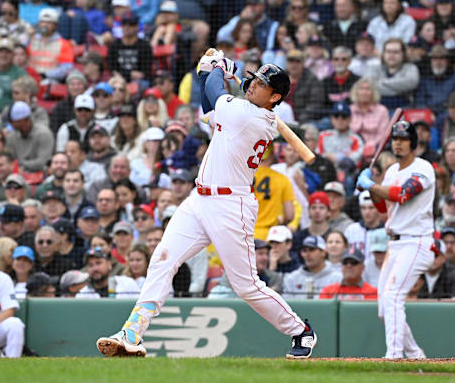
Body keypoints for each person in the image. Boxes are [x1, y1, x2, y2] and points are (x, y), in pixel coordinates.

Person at [96, 59, 318, 359]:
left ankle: (299, 330)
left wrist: (216, 68)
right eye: (253, 80)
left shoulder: (249, 116)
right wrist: (210, 72)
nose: (253, 84)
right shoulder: (241, 112)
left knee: (246, 285)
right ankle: (131, 332)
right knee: (162, 260)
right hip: (199, 198)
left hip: (231, 204)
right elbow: (209, 106)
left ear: (275, 97)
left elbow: (213, 88)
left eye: (262, 85)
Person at [356, 120, 436, 359]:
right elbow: (382, 207)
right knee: (384, 308)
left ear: (413, 143)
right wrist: (371, 187)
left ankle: (394, 355)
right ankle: (415, 354)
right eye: (396, 139)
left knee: (393, 298)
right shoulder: (391, 171)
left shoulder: (423, 168)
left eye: (403, 139)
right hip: (396, 243)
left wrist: (371, 184)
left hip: (417, 241)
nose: (398, 143)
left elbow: (402, 195)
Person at [283, 235, 342, 299]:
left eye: (311, 250)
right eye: (304, 250)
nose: (307, 254)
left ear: (323, 252)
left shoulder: (338, 278)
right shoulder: (291, 279)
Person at [5, 101, 55, 173]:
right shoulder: (11, 136)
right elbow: (9, 161)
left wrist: (18, 163)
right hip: (17, 174)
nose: (10, 124)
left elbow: (43, 163)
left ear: (23, 120)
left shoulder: (43, 133)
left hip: (41, 174)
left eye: (12, 121)